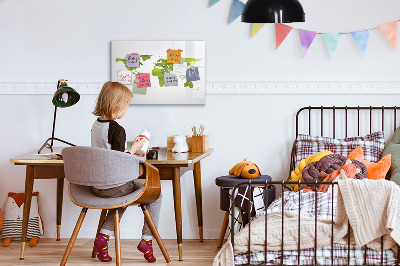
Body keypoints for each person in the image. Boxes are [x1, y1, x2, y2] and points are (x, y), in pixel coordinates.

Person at [91, 81, 161, 263]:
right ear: (117, 105)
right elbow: (118, 161)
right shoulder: (117, 129)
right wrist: (135, 149)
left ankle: (103, 238)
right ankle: (147, 240)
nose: (126, 109)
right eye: (127, 105)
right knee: (156, 194)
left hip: (97, 186)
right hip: (114, 186)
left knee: (121, 198)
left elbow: (108, 154)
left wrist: (130, 149)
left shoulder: (96, 125)